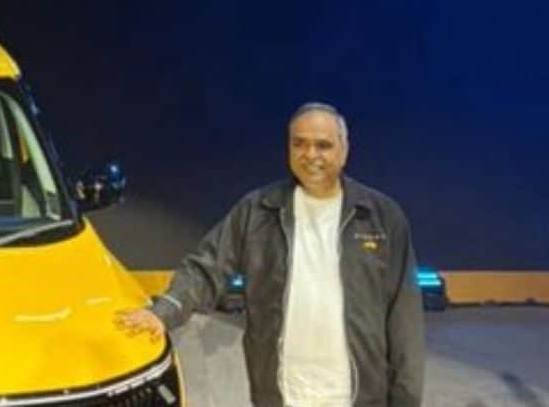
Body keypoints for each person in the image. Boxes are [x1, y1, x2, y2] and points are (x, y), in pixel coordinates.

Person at [117, 102, 424, 407]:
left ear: (344, 150)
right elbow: (206, 268)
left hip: (359, 397)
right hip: (281, 394)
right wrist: (164, 311)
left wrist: (406, 399)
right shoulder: (258, 210)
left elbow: (405, 321)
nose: (310, 154)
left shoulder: (381, 217)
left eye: (323, 145)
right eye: (299, 144)